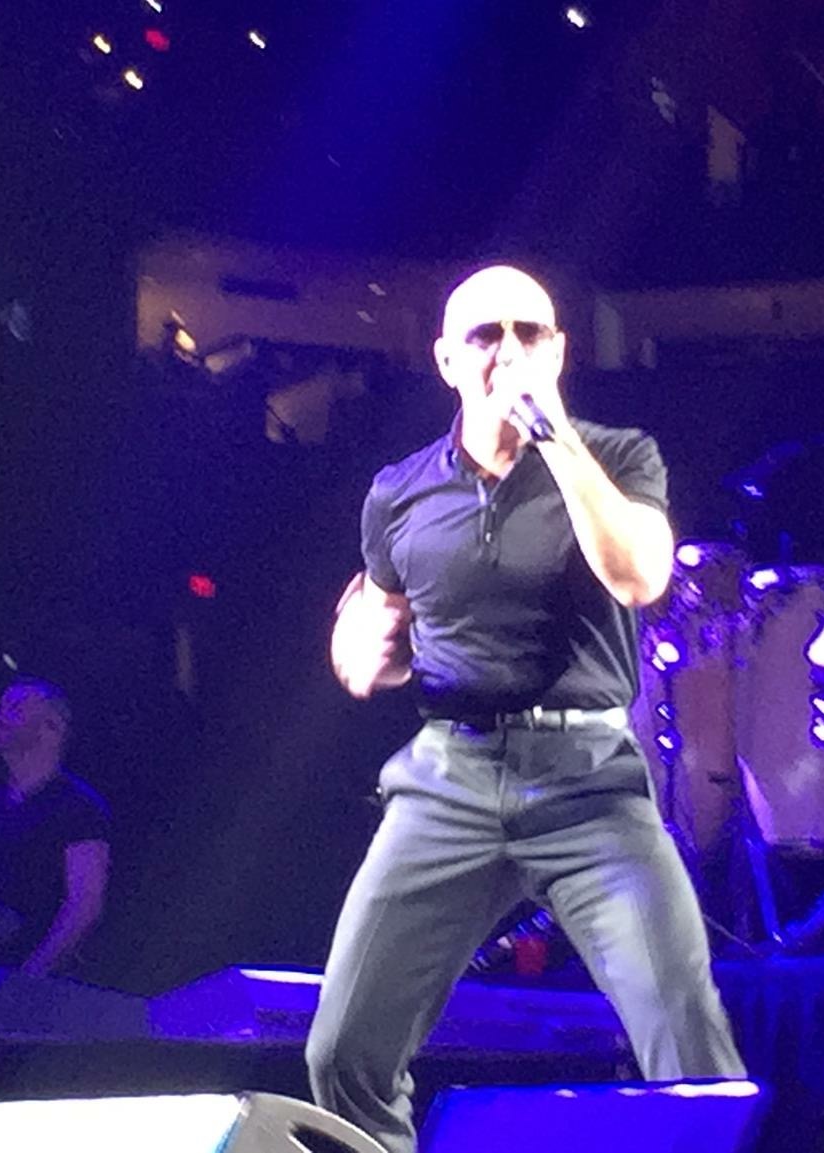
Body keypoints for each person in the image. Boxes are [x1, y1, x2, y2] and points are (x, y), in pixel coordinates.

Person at [309, 265, 745, 1153]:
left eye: (529, 332)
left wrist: (554, 437)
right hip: (449, 780)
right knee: (344, 1051)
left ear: (557, 351)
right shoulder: (399, 490)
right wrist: (367, 651)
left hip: (587, 782)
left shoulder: (618, 455)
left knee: (686, 1039)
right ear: (445, 360)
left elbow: (640, 576)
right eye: (485, 334)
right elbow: (383, 620)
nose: (508, 350)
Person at [0, 678, 112, 979]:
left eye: (15, 708)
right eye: (0, 708)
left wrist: (30, 976)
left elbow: (85, 904)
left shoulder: (77, 806)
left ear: (52, 727)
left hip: (48, 988)